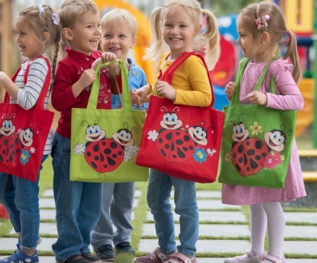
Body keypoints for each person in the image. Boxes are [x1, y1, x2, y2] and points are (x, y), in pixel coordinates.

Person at [133, 0, 220, 263]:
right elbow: (164, 86)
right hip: (162, 143)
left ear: (195, 30)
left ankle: (187, 251)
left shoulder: (192, 61)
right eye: (169, 25)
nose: (175, 31)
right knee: (155, 197)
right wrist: (149, 91)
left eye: (182, 25)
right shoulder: (165, 57)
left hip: (183, 144)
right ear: (161, 26)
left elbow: (205, 97)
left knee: (184, 201)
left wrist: (175, 94)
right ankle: (166, 248)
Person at [222, 2, 306, 263]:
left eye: (243, 35)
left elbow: (297, 101)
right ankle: (256, 251)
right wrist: (236, 95)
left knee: (270, 202)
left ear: (264, 37)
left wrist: (267, 98)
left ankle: (276, 254)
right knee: (255, 201)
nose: (238, 41)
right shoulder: (246, 65)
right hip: (250, 147)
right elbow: (249, 102)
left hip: (272, 148)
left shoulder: (277, 68)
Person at [50, 1, 116, 263]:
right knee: (69, 200)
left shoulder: (100, 59)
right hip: (70, 140)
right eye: (90, 27)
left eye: (98, 25)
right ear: (69, 34)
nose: (98, 32)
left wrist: (113, 72)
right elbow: (58, 102)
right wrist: (80, 84)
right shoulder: (66, 65)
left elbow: (117, 93)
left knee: (91, 202)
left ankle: (82, 247)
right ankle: (67, 251)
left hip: (97, 141)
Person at [0, 4, 61, 263]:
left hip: (31, 144)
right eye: (17, 33)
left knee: (25, 197)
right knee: (5, 190)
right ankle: (29, 235)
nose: (18, 40)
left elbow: (27, 101)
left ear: (44, 37)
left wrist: (4, 80)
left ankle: (28, 252)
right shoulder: (28, 64)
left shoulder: (39, 65)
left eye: (23, 34)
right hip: (18, 141)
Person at [89, 9, 150, 262]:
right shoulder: (97, 69)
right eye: (108, 35)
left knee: (125, 194)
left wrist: (142, 100)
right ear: (100, 38)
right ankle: (102, 238)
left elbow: (144, 110)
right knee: (102, 195)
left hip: (129, 145)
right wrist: (100, 67)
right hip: (103, 143)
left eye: (122, 36)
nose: (114, 41)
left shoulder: (138, 74)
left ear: (133, 41)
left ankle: (122, 236)